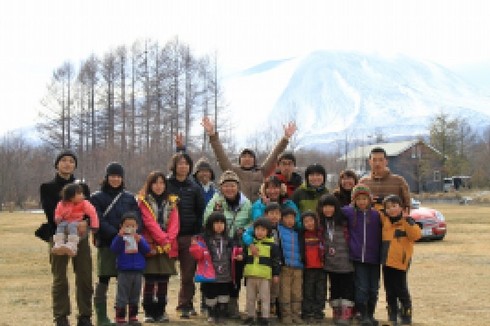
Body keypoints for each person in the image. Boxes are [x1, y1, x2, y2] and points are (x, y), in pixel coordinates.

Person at [40, 149, 93, 326]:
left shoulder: (83, 187)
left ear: (75, 165)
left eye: (71, 161)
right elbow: (50, 213)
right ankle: (61, 317)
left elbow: (88, 210)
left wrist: (85, 222)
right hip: (59, 235)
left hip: (80, 237)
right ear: (57, 164)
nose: (67, 163)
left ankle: (85, 316)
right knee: (60, 278)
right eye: (63, 160)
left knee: (84, 276)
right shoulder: (47, 187)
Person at [90, 162, 140, 326]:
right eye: (112, 176)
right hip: (106, 244)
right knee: (103, 279)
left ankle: (123, 316)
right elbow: (97, 219)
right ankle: (102, 317)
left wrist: (128, 233)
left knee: (125, 281)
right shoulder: (97, 197)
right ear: (106, 177)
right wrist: (115, 234)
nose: (115, 179)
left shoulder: (129, 197)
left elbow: (136, 217)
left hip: (127, 246)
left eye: (118, 176)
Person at [201, 116, 297, 202]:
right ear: (240, 160)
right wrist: (212, 135)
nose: (247, 159)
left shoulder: (262, 172)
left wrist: (285, 138)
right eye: (244, 156)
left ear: (254, 160)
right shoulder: (233, 171)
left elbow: (274, 156)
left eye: (250, 156)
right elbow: (220, 155)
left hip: (258, 211)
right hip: (240, 212)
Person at [203, 170, 252, 318]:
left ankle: (232, 304)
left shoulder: (246, 203)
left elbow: (252, 222)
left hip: (237, 246)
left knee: (235, 276)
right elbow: (206, 221)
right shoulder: (215, 201)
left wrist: (245, 230)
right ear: (221, 187)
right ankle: (211, 306)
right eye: (226, 185)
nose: (229, 189)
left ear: (238, 187)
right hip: (218, 245)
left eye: (232, 185)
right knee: (215, 276)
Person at [166, 152, 206, 318]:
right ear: (174, 166)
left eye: (186, 164)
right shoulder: (166, 184)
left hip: (189, 236)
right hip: (168, 237)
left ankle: (185, 305)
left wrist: (196, 235)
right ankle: (158, 305)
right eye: (180, 163)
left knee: (188, 274)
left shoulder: (195, 187)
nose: (183, 166)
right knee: (163, 273)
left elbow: (200, 211)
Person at [137, 171, 179, 323]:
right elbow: (149, 222)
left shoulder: (172, 202)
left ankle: (161, 311)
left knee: (163, 279)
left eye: (162, 183)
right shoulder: (143, 201)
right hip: (151, 244)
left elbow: (175, 224)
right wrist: (163, 239)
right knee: (149, 279)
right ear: (150, 185)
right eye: (155, 183)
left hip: (168, 246)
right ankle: (149, 311)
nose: (159, 186)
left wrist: (169, 240)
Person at [189, 212, 242, 324]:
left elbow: (236, 251)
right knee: (210, 295)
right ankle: (212, 315)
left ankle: (221, 315)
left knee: (223, 295)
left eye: (222, 223)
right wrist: (194, 247)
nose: (219, 225)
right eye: (216, 222)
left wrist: (239, 255)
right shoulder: (203, 239)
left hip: (225, 274)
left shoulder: (229, 239)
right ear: (210, 224)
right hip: (210, 275)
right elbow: (197, 255)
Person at [342, 184, 382, 326]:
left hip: (374, 258)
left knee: (373, 288)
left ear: (369, 199)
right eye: (359, 199)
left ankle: (371, 314)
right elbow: (337, 211)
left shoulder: (376, 215)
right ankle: (363, 315)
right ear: (354, 200)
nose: (362, 202)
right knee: (361, 287)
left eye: (365, 199)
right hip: (358, 258)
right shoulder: (350, 213)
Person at [381, 195, 421, 325]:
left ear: (401, 208)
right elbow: (376, 210)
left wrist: (410, 223)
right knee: (389, 289)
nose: (391, 210)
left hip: (401, 262)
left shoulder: (406, 222)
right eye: (388, 207)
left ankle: (406, 312)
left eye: (394, 206)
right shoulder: (385, 222)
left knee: (401, 288)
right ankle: (392, 312)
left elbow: (416, 236)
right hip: (387, 261)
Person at [317, 194, 355, 326]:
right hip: (330, 263)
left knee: (347, 287)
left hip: (346, 261)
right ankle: (336, 310)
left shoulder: (343, 221)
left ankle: (346, 312)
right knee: (334, 287)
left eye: (331, 206)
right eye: (325, 207)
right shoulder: (321, 223)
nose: (328, 210)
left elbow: (352, 210)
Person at [242, 202, 282, 318]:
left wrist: (275, 273)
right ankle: (251, 316)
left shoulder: (273, 243)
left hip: (265, 275)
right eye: (258, 230)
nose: (260, 232)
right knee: (250, 297)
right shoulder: (252, 242)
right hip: (251, 274)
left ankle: (266, 317)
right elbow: (245, 241)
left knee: (267, 297)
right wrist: (247, 249)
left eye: (277, 213)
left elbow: (275, 259)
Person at [110, 212, 150, 325]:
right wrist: (119, 237)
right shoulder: (120, 239)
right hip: (124, 271)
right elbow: (114, 249)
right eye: (127, 226)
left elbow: (146, 250)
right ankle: (120, 317)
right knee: (122, 295)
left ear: (137, 227)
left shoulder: (140, 238)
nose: (130, 228)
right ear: (121, 227)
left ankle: (133, 317)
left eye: (133, 226)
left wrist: (140, 241)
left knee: (135, 295)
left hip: (138, 271)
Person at [52, 183, 99, 257]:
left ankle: (72, 244)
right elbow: (58, 211)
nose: (82, 195)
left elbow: (93, 213)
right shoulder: (62, 204)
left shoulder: (84, 203)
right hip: (65, 221)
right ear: (71, 196)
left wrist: (94, 226)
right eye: (79, 194)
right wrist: (58, 217)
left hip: (76, 221)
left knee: (72, 226)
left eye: (81, 193)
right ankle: (59, 243)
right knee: (60, 226)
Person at [359, 147, 411, 213]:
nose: (377, 163)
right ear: (369, 162)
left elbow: (407, 207)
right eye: (374, 160)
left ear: (386, 161)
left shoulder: (399, 181)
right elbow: (356, 206)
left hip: (393, 222)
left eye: (381, 160)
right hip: (370, 221)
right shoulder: (363, 183)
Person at [277, 207, 304, 324]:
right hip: (285, 267)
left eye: (292, 218)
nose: (289, 220)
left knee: (297, 293)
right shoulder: (279, 230)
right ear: (282, 219)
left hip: (298, 267)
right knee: (285, 293)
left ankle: (296, 314)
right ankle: (286, 315)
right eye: (287, 218)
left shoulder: (298, 232)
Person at [300, 211, 326, 323]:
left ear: (316, 221)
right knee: (308, 290)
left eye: (311, 220)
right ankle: (307, 311)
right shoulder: (302, 235)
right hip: (308, 267)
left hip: (321, 267)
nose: (309, 223)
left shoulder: (321, 233)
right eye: (306, 221)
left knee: (320, 290)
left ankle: (318, 311)